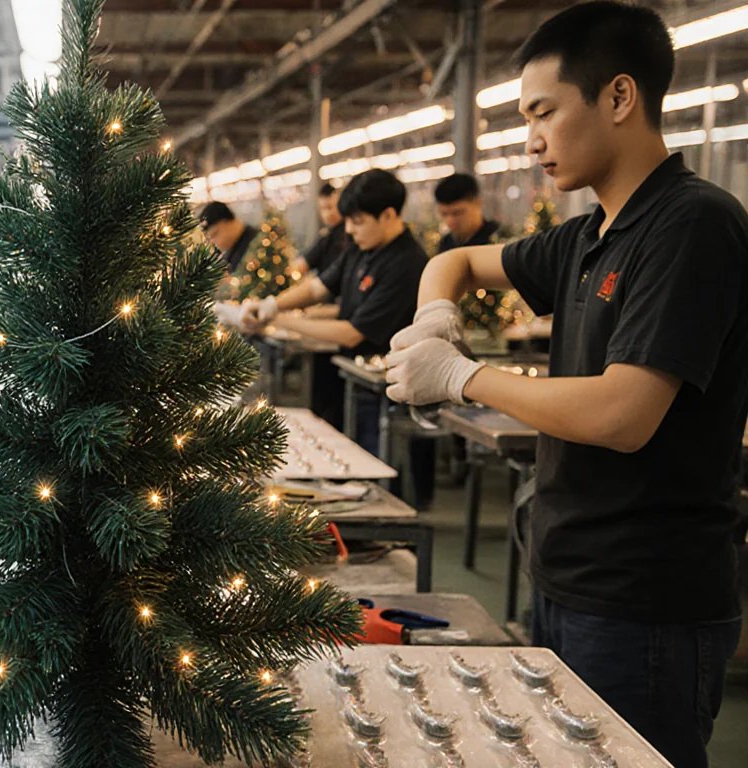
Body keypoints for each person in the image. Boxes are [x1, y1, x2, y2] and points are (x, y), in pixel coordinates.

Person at [384, 4, 745, 765]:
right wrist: (434, 316)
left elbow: (624, 413)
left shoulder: (692, 226)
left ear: (618, 98)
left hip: (646, 603)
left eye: (543, 112)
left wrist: (461, 374)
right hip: (566, 575)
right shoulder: (586, 236)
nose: (532, 138)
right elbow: (456, 260)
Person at [241, 169, 425, 455]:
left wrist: (278, 318)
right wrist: (273, 304)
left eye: (357, 222)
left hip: (386, 393)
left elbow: (352, 333)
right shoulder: (361, 248)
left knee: (375, 466)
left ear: (388, 215)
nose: (348, 229)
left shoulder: (406, 265)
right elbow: (318, 287)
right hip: (352, 380)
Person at [433, 173, 504, 251]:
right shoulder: (446, 243)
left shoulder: (498, 240)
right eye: (444, 214)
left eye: (457, 213)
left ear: (477, 203)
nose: (450, 220)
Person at [297, 182, 352, 276]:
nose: (327, 214)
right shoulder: (327, 234)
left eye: (330, 207)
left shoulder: (348, 232)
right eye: (322, 209)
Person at [198, 201, 257, 274]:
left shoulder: (256, 243)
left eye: (215, 234)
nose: (213, 242)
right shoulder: (231, 255)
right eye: (209, 239)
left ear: (226, 221)